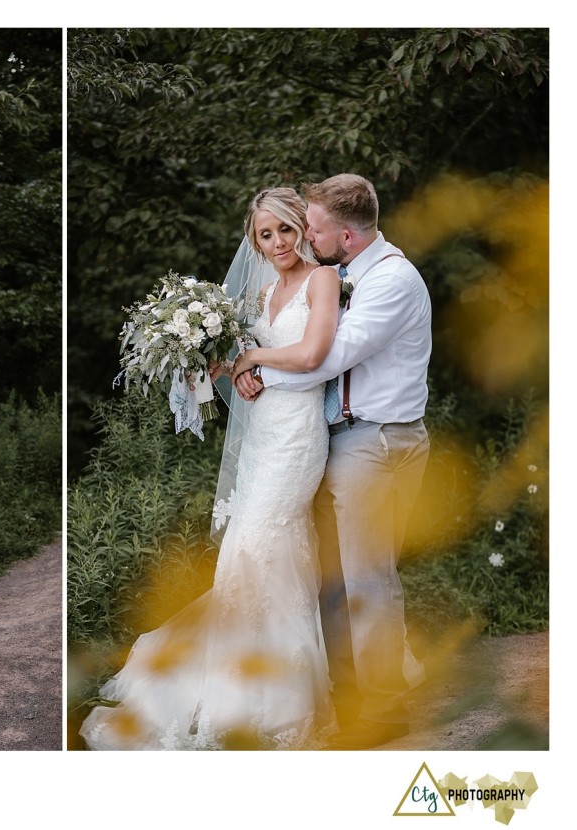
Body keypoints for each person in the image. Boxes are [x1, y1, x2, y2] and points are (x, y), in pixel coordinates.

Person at [80, 188, 342, 750]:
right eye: (264, 235)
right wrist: (233, 371)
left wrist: (253, 358)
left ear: (302, 228)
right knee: (250, 558)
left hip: (297, 435)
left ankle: (277, 702)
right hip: (263, 433)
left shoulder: (323, 280)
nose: (276, 244)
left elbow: (314, 353)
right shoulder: (263, 290)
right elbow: (246, 365)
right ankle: (238, 691)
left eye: (285, 230)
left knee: (258, 546)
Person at [235, 173, 431, 749]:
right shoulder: (346, 275)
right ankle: (347, 699)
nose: (303, 236)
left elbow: (326, 356)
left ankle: (383, 713)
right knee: (333, 580)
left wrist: (252, 368)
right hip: (336, 439)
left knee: (368, 580)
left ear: (344, 236)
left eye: (312, 227)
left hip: (378, 440)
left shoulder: (391, 280)